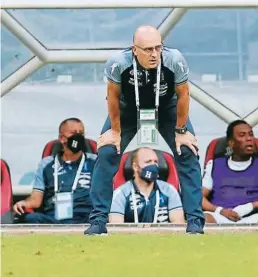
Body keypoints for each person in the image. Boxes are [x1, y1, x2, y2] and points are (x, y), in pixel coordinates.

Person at [85, 25, 204, 235]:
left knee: (187, 151)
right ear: (134, 50)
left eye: (158, 48)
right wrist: (115, 131)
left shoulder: (174, 59)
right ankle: (98, 221)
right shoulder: (118, 63)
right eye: (148, 49)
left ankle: (195, 221)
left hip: (167, 107)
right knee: (106, 152)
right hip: (127, 108)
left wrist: (181, 130)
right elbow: (112, 97)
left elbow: (184, 95)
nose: (154, 54)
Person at [13, 118, 96, 224]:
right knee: (29, 218)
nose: (78, 137)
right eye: (74, 133)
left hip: (85, 217)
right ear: (62, 138)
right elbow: (35, 200)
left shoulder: (95, 162)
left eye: (81, 133)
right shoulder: (46, 164)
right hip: (54, 219)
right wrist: (24, 203)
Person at [202, 120, 258, 224]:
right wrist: (219, 210)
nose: (249, 139)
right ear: (231, 143)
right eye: (242, 135)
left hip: (253, 216)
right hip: (220, 216)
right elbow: (198, 197)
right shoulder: (214, 165)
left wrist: (251, 206)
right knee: (199, 221)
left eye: (251, 135)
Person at [109, 147, 185, 224]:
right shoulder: (121, 194)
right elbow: (115, 228)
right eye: (148, 162)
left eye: (155, 162)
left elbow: (178, 225)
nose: (153, 165)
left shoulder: (169, 191)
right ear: (135, 167)